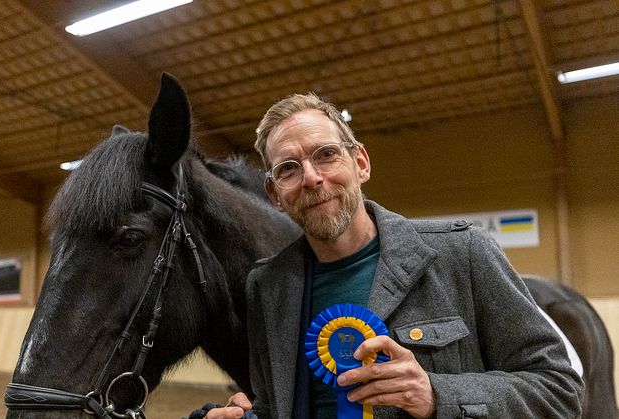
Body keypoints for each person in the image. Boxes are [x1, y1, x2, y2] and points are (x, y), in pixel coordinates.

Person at [205, 94, 583, 418]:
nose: (311, 178)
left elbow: (559, 389)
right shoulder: (266, 287)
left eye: (326, 155)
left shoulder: (462, 252)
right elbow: (280, 404)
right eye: (288, 168)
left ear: (361, 164)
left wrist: (437, 395)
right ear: (274, 194)